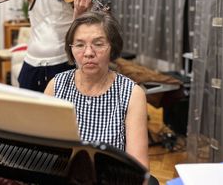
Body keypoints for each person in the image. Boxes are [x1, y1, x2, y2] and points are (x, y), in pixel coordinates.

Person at [44, 11, 149, 170]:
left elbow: (138, 166)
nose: (88, 53)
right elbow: (41, 146)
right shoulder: (56, 85)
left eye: (98, 44)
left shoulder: (132, 94)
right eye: (79, 45)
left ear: (112, 47)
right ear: (71, 49)